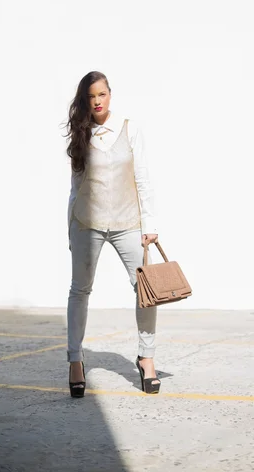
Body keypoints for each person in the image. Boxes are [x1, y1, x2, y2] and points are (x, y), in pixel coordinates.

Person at [63, 71, 160, 398]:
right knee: (80, 290)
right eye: (91, 97)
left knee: (145, 289)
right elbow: (75, 188)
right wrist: (69, 227)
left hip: (126, 222)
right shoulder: (81, 134)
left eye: (101, 94)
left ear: (110, 94)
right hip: (86, 224)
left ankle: (146, 357)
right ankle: (75, 360)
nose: (97, 101)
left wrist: (149, 225)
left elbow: (142, 178)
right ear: (85, 100)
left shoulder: (129, 129)